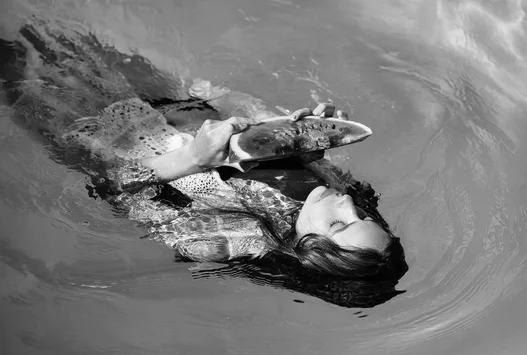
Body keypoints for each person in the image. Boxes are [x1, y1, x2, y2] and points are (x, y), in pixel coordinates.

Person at [1, 20, 408, 307]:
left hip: (101, 136)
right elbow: (258, 154)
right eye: (362, 216)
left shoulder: (224, 242)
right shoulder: (338, 194)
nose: (346, 202)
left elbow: (110, 187)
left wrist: (191, 158)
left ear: (305, 254)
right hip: (183, 108)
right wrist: (300, 135)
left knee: (13, 63)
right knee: (51, 31)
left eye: (340, 223)